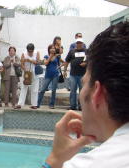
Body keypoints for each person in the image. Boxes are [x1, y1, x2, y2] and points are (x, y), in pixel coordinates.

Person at [43, 21, 129, 168]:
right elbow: (66, 62)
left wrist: (55, 159)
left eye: (85, 84)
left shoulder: (91, 164)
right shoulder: (71, 51)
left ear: (97, 92)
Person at [37, 44, 64, 109]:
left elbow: (65, 62)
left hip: (55, 75)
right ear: (49, 49)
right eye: (51, 48)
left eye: (53, 48)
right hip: (48, 75)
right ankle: (37, 104)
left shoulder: (57, 57)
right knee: (42, 89)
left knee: (53, 90)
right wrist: (51, 56)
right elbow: (45, 63)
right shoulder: (46, 56)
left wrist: (59, 67)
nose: (52, 49)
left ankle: (51, 105)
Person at [63, 38, 87, 110]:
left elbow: (90, 60)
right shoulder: (71, 51)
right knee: (73, 91)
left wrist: (86, 63)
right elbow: (66, 61)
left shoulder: (86, 51)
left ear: (82, 44)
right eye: (77, 43)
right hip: (73, 75)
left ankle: (81, 106)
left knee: (82, 92)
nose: (79, 44)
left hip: (83, 75)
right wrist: (64, 71)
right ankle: (73, 106)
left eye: (80, 43)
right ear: (76, 44)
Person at [15, 44, 40, 109]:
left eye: (31, 51)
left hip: (34, 72)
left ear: (33, 50)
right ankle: (20, 104)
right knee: (24, 87)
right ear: (27, 50)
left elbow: (38, 62)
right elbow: (21, 64)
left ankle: (34, 104)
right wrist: (25, 70)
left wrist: (29, 60)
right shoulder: (24, 54)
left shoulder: (37, 53)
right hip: (26, 72)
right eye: (29, 51)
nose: (30, 52)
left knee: (35, 88)